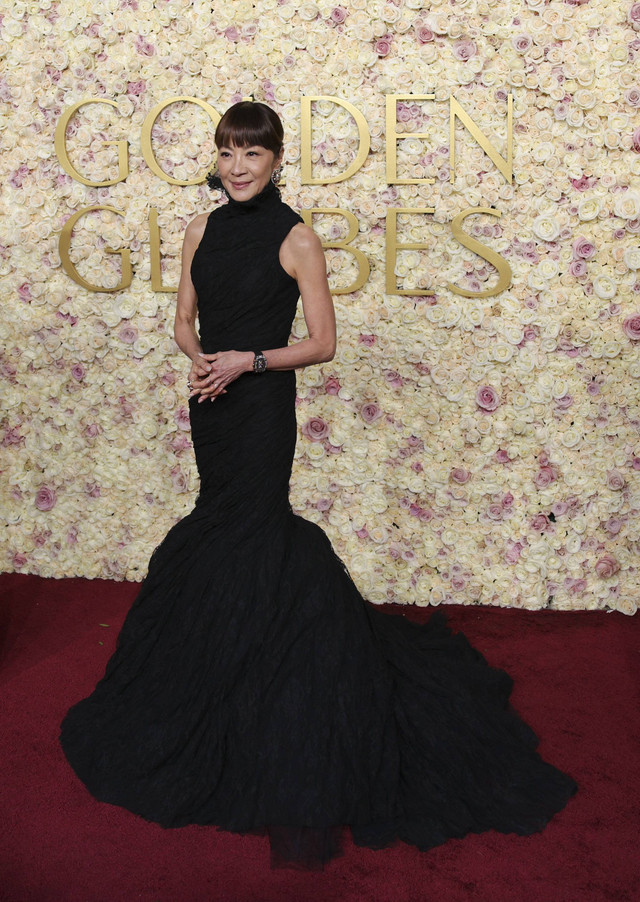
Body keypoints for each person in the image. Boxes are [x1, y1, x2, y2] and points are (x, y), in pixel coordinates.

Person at [60, 101, 576, 870]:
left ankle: (280, 694)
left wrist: (247, 362)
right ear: (218, 157)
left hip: (262, 405)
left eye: (254, 154)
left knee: (259, 530)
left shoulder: (296, 236)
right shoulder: (200, 228)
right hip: (212, 401)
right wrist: (201, 358)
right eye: (228, 152)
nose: (239, 166)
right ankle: (210, 683)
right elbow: (182, 319)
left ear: (275, 162)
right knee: (215, 523)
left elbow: (324, 342)